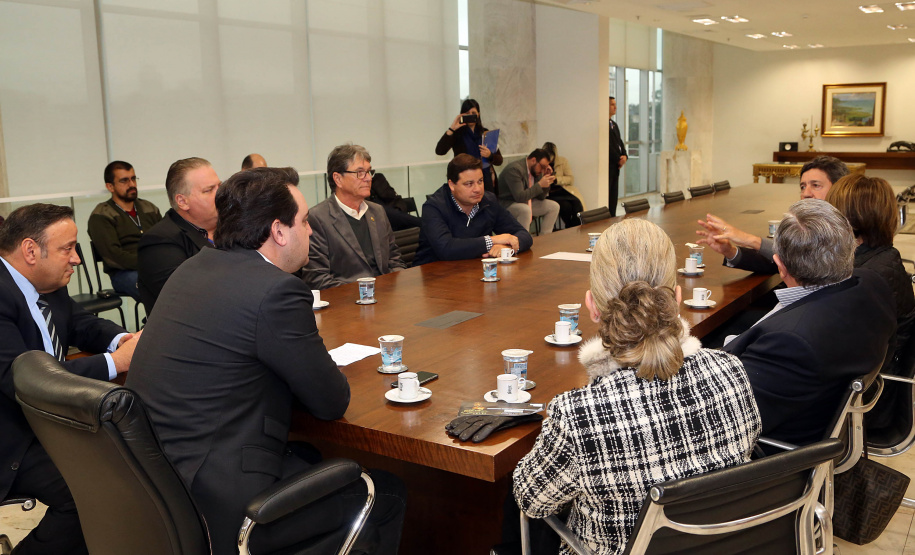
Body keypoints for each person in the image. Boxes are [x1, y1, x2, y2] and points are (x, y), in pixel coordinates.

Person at [126, 168, 406, 555]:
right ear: (278, 231)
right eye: (305, 222)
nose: (311, 231)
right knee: (386, 489)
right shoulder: (276, 291)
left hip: (161, 487)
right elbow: (330, 402)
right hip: (225, 505)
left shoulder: (191, 269)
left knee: (309, 456)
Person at [511, 219, 760, 555]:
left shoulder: (578, 414)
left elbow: (531, 500)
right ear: (676, 298)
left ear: (592, 307)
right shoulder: (731, 372)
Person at [0, 204, 140, 555]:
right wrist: (115, 362)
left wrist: (121, 340)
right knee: (95, 496)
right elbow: (23, 378)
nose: (77, 259)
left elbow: (82, 324)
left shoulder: (45, 283)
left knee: (131, 471)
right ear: (31, 251)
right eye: (68, 248)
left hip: (52, 420)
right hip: (13, 435)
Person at [723, 199, 896, 447]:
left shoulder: (791, 342)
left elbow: (729, 419)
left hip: (773, 454)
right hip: (813, 407)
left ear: (780, 267)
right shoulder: (872, 284)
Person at [696, 155, 849, 274]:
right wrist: (730, 251)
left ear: (838, 188)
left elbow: (799, 259)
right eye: (803, 186)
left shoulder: (845, 228)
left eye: (815, 185)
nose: (806, 193)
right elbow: (778, 261)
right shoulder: (810, 222)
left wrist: (748, 239)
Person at [304, 144, 406, 290]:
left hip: (387, 296)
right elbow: (318, 279)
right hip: (347, 303)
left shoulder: (377, 212)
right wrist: (368, 294)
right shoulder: (318, 218)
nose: (368, 179)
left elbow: (395, 260)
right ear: (338, 179)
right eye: (360, 173)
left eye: (369, 172)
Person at [414, 154, 533, 266]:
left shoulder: (488, 201)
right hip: (435, 275)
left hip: (473, 270)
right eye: (469, 184)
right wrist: (492, 241)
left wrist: (507, 247)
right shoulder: (434, 207)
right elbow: (446, 249)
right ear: (452, 185)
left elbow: (524, 235)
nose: (477, 189)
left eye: (480, 181)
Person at [137, 157, 220, 313]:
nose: (221, 194)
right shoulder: (159, 241)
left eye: (220, 186)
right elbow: (187, 299)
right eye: (209, 190)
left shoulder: (233, 228)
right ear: (182, 201)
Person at [87, 161, 163, 300]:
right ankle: (157, 321)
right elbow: (113, 256)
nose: (132, 184)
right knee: (152, 285)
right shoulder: (102, 215)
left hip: (155, 267)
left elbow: (165, 241)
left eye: (133, 179)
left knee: (183, 280)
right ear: (110, 186)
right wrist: (150, 263)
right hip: (124, 273)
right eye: (124, 180)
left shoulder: (149, 208)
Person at [435, 98, 503, 194]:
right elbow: (440, 151)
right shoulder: (458, 133)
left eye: (473, 113)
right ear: (462, 115)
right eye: (467, 113)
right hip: (465, 180)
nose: (470, 116)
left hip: (485, 180)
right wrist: (452, 128)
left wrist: (490, 155)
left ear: (478, 114)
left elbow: (499, 160)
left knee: (488, 207)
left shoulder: (485, 132)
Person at [498, 149, 560, 235]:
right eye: (542, 167)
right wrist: (539, 185)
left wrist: (546, 179)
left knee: (554, 206)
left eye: (545, 168)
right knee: (525, 210)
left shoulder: (535, 171)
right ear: (533, 160)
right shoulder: (514, 169)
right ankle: (524, 241)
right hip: (508, 204)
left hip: (527, 202)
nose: (542, 170)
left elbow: (541, 197)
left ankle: (545, 240)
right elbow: (520, 197)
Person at [542, 142, 585, 228]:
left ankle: (576, 227)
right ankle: (570, 227)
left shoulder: (562, 161)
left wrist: (556, 179)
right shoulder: (541, 164)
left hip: (563, 190)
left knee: (577, 204)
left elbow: (570, 179)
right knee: (566, 207)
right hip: (549, 193)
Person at [608, 96, 627, 217]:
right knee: (608, 196)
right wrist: (617, 159)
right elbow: (607, 146)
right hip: (609, 165)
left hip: (616, 167)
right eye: (612, 104)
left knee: (613, 197)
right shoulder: (603, 126)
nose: (615, 107)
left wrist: (624, 155)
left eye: (615, 104)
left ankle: (612, 219)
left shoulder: (613, 124)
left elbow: (619, 143)